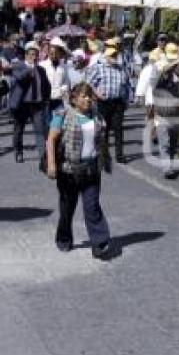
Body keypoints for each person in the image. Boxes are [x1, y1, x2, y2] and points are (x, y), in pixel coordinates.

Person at [45, 82, 112, 259]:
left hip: (91, 169)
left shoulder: (97, 116)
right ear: (74, 99)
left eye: (90, 95)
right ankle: (64, 238)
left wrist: (106, 159)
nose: (88, 99)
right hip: (69, 171)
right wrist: (52, 164)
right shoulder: (63, 114)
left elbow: (102, 140)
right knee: (67, 208)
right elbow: (51, 140)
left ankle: (100, 243)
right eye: (84, 96)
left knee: (92, 207)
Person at [9, 41, 50, 163]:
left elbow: (46, 85)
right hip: (22, 104)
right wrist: (29, 68)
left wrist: (45, 99)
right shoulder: (18, 66)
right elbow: (20, 77)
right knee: (19, 129)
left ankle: (43, 156)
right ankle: (19, 152)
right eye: (31, 54)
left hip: (36, 104)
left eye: (36, 55)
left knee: (40, 130)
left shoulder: (41, 69)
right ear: (26, 55)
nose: (34, 57)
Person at [88, 46, 130, 163]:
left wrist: (126, 101)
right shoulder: (98, 68)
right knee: (104, 129)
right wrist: (96, 92)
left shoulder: (121, 69)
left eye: (115, 55)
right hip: (103, 102)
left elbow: (126, 86)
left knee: (118, 128)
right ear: (106, 57)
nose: (114, 57)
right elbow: (87, 83)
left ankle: (119, 155)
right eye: (112, 55)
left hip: (118, 102)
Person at [153, 43, 179, 179]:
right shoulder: (158, 67)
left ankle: (169, 163)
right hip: (162, 116)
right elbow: (156, 79)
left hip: (176, 115)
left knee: (173, 144)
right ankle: (167, 168)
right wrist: (170, 68)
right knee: (164, 143)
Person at [41, 37, 70, 125]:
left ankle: (56, 138)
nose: (53, 55)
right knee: (47, 123)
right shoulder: (42, 65)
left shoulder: (63, 66)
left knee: (58, 123)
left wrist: (62, 90)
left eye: (56, 52)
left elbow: (66, 82)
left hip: (58, 99)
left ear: (59, 53)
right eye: (51, 53)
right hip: (45, 100)